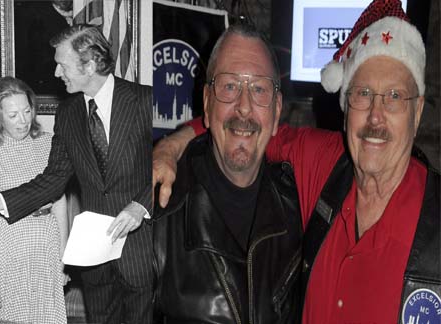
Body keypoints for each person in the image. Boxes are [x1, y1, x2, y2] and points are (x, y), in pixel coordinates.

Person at [152, 1, 440, 323]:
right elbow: (245, 129)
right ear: (345, 108)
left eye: (395, 97)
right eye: (362, 94)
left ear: (417, 113)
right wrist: (171, 145)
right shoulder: (325, 164)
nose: (375, 115)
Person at [0, 25, 153, 324]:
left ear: (88, 65)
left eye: (62, 64)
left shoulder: (144, 101)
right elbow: (52, 181)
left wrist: (142, 204)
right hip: (96, 261)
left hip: (142, 252)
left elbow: (173, 163)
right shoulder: (68, 113)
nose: (56, 72)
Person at [152, 23, 302, 323]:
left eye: (259, 89)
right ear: (207, 104)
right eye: (229, 87)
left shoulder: (300, 205)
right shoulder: (158, 208)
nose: (244, 108)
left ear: (276, 112)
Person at [0, 77, 68, 323]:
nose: (23, 121)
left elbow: (60, 205)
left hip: (43, 255)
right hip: (3, 258)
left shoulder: (49, 143)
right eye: (13, 115)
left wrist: (63, 259)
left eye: (27, 111)